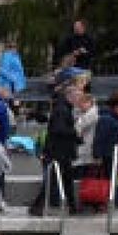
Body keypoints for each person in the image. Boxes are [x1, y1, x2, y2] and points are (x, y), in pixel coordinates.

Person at [28, 83, 80, 216]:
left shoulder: (63, 108)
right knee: (54, 180)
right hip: (58, 151)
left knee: (65, 179)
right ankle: (37, 207)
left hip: (61, 150)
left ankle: (72, 206)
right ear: (70, 96)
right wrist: (75, 133)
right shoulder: (62, 109)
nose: (78, 100)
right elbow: (59, 129)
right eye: (77, 97)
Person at [93, 91, 118, 177]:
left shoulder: (117, 118)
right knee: (108, 178)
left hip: (113, 154)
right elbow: (100, 138)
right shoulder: (107, 119)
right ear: (117, 106)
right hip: (107, 156)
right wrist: (98, 156)